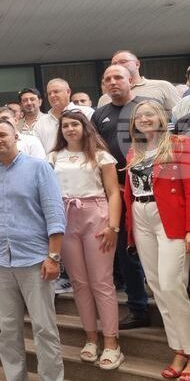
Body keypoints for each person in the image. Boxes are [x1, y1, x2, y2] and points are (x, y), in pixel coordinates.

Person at [0, 118, 66, 381]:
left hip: (35, 260)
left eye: (2, 135)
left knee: (44, 328)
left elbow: (55, 213)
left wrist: (53, 257)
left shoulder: (39, 167)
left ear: (16, 136)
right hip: (0, 260)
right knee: (7, 330)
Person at [49, 110, 124, 369]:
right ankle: (91, 338)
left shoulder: (101, 155)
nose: (70, 129)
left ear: (84, 127)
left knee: (101, 282)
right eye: (65, 125)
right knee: (79, 283)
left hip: (97, 216)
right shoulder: (53, 157)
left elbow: (114, 193)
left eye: (75, 124)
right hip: (65, 218)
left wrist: (113, 227)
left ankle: (112, 343)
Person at [124, 100, 190, 380]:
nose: (144, 118)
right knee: (157, 286)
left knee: (172, 283)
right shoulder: (134, 151)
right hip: (141, 216)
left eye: (149, 114)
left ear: (161, 117)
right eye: (139, 116)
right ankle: (179, 349)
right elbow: (129, 191)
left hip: (170, 216)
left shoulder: (180, 144)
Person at [91, 64, 152, 329]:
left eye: (118, 77)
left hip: (149, 192)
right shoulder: (100, 114)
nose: (113, 82)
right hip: (116, 193)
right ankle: (139, 309)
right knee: (127, 254)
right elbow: (95, 152)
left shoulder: (147, 107)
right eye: (108, 79)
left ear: (130, 80)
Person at [97, 50, 180, 113]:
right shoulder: (105, 99)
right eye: (114, 64)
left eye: (123, 62)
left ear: (137, 64)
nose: (118, 65)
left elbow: (178, 116)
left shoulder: (162, 86)